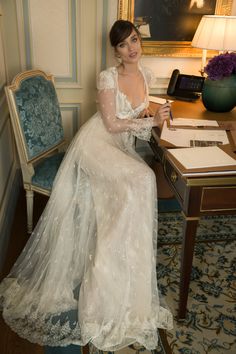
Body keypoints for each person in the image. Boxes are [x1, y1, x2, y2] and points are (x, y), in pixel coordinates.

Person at [0, 20, 173, 351]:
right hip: (96, 145)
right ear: (115, 51)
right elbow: (110, 123)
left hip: (119, 147)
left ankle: (128, 263)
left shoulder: (146, 75)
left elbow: (140, 110)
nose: (131, 48)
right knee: (143, 178)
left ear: (140, 42)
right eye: (123, 45)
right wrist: (153, 120)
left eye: (134, 40)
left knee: (140, 184)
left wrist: (159, 111)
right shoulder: (108, 77)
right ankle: (104, 269)